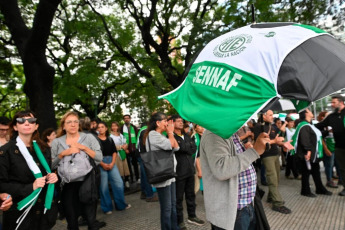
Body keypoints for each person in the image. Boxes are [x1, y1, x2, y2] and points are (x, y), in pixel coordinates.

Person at [200, 128, 270, 230]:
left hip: (246, 204)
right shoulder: (214, 134)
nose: (244, 124)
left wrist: (247, 151)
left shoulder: (230, 132)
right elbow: (222, 169)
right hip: (232, 212)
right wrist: (254, 152)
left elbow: (233, 161)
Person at [0, 110, 58, 230]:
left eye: (31, 120)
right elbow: (2, 184)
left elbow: (47, 173)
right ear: (15, 127)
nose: (27, 123)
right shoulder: (6, 151)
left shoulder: (44, 149)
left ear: (36, 126)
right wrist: (30, 187)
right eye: (21, 120)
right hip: (19, 211)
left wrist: (53, 177)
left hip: (42, 210)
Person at [51, 111, 102, 230]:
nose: (73, 124)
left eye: (75, 122)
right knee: (72, 220)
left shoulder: (88, 137)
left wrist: (83, 147)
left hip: (87, 182)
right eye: (69, 122)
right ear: (63, 126)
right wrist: (63, 154)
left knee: (90, 220)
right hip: (67, 185)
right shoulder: (57, 142)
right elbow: (51, 166)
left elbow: (99, 158)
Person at [168, 115, 204, 230]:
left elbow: (193, 149)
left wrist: (184, 147)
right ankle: (180, 221)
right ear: (172, 123)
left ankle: (192, 216)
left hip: (190, 170)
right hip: (178, 172)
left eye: (181, 121)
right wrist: (185, 148)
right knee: (178, 198)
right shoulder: (170, 136)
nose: (180, 123)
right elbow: (181, 148)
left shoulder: (187, 136)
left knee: (191, 195)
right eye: (177, 121)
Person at [144, 112, 179, 230]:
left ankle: (175, 227)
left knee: (173, 205)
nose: (167, 123)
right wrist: (170, 132)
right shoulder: (153, 135)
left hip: (170, 173)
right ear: (158, 123)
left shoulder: (162, 135)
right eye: (165, 121)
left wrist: (170, 134)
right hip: (162, 174)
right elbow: (171, 145)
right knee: (167, 207)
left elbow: (176, 147)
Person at [253, 110, 292, 214]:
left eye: (272, 115)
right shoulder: (258, 127)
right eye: (270, 115)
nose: (272, 116)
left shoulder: (272, 126)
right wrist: (275, 141)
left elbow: (276, 140)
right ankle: (277, 203)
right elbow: (260, 142)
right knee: (272, 178)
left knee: (277, 178)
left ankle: (271, 197)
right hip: (267, 155)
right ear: (263, 116)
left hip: (275, 154)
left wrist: (283, 144)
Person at [292, 109, 332, 197]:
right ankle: (305, 191)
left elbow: (315, 135)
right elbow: (304, 139)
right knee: (306, 173)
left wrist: (327, 132)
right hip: (308, 154)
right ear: (306, 114)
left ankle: (319, 189)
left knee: (315, 171)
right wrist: (308, 151)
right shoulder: (304, 125)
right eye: (309, 111)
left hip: (312, 154)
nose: (311, 112)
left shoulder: (309, 124)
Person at [97, 122, 131, 214]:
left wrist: (112, 163)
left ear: (106, 128)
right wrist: (102, 164)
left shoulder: (110, 139)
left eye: (102, 127)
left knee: (119, 183)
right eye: (98, 127)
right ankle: (107, 208)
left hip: (112, 161)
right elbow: (94, 155)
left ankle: (121, 205)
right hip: (100, 162)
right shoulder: (95, 140)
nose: (100, 129)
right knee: (103, 187)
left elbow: (114, 152)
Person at [315, 94, 345, 196]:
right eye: (331, 102)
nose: (332, 104)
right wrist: (307, 125)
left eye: (334, 102)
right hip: (339, 147)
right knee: (342, 168)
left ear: (341, 102)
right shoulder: (331, 117)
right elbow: (319, 126)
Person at [317, 111, 338, 188]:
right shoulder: (322, 126)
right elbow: (320, 138)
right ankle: (329, 180)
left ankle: (334, 177)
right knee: (329, 165)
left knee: (335, 164)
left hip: (335, 148)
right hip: (328, 149)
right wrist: (326, 149)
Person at [109, 122, 131, 189]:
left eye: (115, 126)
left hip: (123, 154)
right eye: (113, 126)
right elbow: (111, 146)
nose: (114, 127)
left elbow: (125, 141)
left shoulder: (120, 134)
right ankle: (120, 184)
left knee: (125, 168)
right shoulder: (110, 136)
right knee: (119, 169)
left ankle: (126, 181)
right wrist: (121, 147)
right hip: (116, 155)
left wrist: (125, 146)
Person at [120, 114, 140, 183]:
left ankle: (137, 178)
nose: (126, 119)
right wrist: (125, 149)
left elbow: (137, 137)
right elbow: (120, 139)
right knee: (127, 165)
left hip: (134, 149)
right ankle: (128, 179)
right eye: (125, 118)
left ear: (130, 119)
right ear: (123, 120)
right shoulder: (121, 128)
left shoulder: (134, 127)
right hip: (125, 149)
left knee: (135, 164)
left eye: (127, 118)